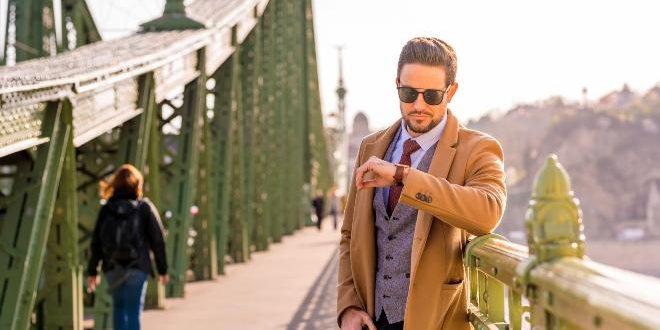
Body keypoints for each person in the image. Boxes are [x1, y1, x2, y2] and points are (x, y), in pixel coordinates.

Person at [337, 37, 507, 330]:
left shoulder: (477, 149)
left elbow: (488, 211)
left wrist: (403, 177)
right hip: (372, 319)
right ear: (397, 85)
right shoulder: (371, 146)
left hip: (435, 320)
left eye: (431, 96)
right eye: (408, 93)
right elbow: (350, 234)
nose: (418, 105)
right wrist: (348, 305)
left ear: (451, 92)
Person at [87, 164, 168, 330]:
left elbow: (97, 241)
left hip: (113, 267)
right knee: (133, 310)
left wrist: (93, 271)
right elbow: (157, 240)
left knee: (118, 308)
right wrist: (163, 270)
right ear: (137, 183)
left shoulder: (106, 209)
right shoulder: (144, 208)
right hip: (138, 267)